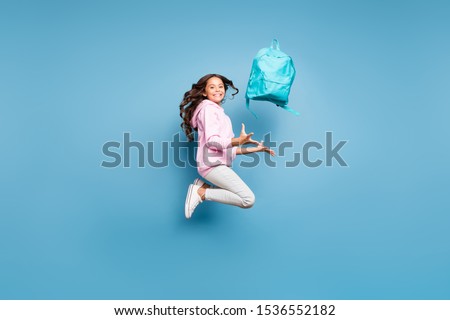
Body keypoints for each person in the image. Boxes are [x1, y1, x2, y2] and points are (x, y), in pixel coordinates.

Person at [179, 74, 275, 219]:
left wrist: (254, 149)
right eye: (212, 87)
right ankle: (201, 192)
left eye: (220, 86)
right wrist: (237, 140)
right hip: (212, 165)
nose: (217, 90)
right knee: (248, 199)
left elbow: (225, 149)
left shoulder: (218, 113)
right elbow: (213, 142)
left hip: (217, 164)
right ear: (204, 92)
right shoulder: (209, 110)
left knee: (244, 198)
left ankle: (203, 188)